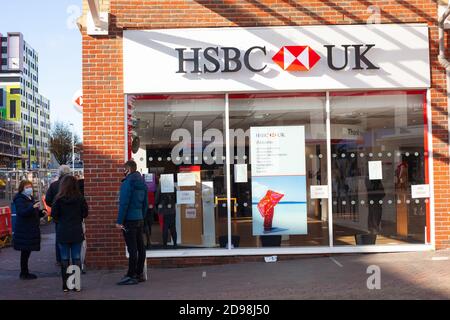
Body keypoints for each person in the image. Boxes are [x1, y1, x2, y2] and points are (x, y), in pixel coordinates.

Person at [51, 175, 89, 292]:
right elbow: (85, 213)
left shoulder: (58, 199)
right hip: (76, 231)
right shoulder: (80, 198)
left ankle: (66, 285)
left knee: (64, 258)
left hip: (63, 231)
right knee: (76, 257)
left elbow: (54, 215)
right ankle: (76, 284)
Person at [115, 160, 148, 285]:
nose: (123, 172)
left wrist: (119, 221)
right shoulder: (142, 182)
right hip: (139, 218)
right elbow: (145, 204)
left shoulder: (127, 183)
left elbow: (124, 204)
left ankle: (131, 275)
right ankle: (139, 273)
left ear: (128, 169)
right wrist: (141, 216)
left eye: (124, 170)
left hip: (129, 220)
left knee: (132, 248)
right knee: (141, 247)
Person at [13, 180, 47, 280]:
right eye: (27, 187)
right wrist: (32, 207)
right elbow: (22, 212)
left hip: (29, 228)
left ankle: (25, 272)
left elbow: (33, 212)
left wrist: (41, 212)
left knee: (26, 252)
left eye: (30, 186)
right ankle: (24, 273)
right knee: (25, 252)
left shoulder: (29, 198)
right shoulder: (20, 199)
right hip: (24, 229)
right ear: (22, 188)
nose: (29, 189)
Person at [45, 165, 71, 266]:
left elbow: (48, 200)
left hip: (59, 217)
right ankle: (72, 258)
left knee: (59, 238)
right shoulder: (73, 185)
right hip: (72, 216)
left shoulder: (54, 185)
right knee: (74, 237)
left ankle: (60, 259)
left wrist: (54, 206)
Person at [155, 178, 177, 248]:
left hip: (163, 211)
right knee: (173, 228)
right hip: (172, 211)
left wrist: (157, 206)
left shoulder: (160, 188)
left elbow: (156, 200)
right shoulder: (173, 188)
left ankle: (165, 244)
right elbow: (176, 199)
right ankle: (175, 243)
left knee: (165, 228)